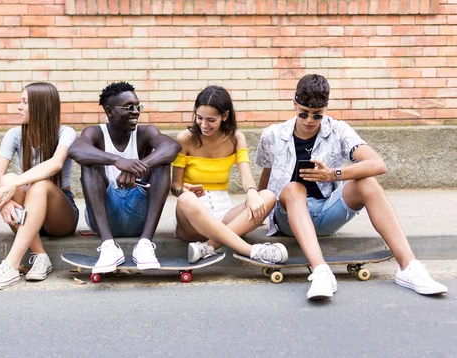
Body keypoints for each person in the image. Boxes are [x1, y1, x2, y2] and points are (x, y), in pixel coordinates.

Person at [255, 74, 448, 300]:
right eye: (303, 113)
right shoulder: (273, 135)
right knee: (293, 189)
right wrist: (258, 210)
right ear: (294, 104)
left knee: (368, 183)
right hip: (288, 216)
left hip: (326, 211)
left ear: (326, 109)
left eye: (317, 115)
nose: (309, 120)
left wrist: (333, 174)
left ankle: (409, 268)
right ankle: (321, 272)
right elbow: (266, 177)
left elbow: (377, 163)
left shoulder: (337, 130)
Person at [68, 81, 180, 273]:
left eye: (138, 106)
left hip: (139, 217)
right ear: (109, 111)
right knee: (89, 163)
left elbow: (172, 146)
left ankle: (145, 245)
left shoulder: (146, 132)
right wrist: (118, 161)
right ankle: (108, 247)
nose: (136, 111)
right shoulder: (95, 133)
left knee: (163, 162)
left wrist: (137, 167)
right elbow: (76, 149)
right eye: (129, 107)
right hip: (104, 217)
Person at [0, 82, 78, 290]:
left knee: (37, 184)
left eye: (25, 102)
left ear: (41, 106)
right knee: (5, 180)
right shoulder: (14, 134)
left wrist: (13, 184)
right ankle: (41, 256)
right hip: (29, 214)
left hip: (60, 216)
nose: (19, 107)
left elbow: (55, 163)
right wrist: (3, 202)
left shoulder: (66, 133)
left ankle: (11, 265)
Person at [171, 85, 288, 264]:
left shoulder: (236, 138)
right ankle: (251, 251)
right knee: (186, 198)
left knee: (268, 196)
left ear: (225, 116)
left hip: (224, 214)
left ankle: (207, 247)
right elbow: (175, 186)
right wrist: (183, 189)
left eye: (211, 120)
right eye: (199, 118)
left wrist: (252, 193)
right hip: (191, 216)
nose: (203, 125)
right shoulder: (184, 139)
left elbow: (246, 173)